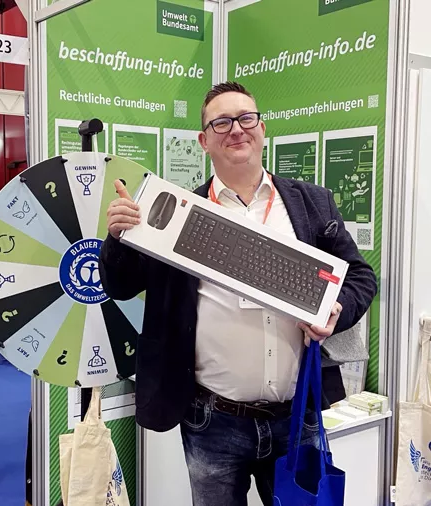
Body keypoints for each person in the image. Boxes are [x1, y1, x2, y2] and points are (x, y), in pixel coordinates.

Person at [99, 82, 378, 506]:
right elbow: (119, 285)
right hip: (212, 421)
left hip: (296, 416)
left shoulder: (310, 204)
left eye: (246, 118)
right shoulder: (177, 215)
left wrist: (337, 311)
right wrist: (117, 237)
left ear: (261, 128)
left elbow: (360, 276)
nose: (236, 130)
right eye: (221, 122)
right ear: (204, 140)